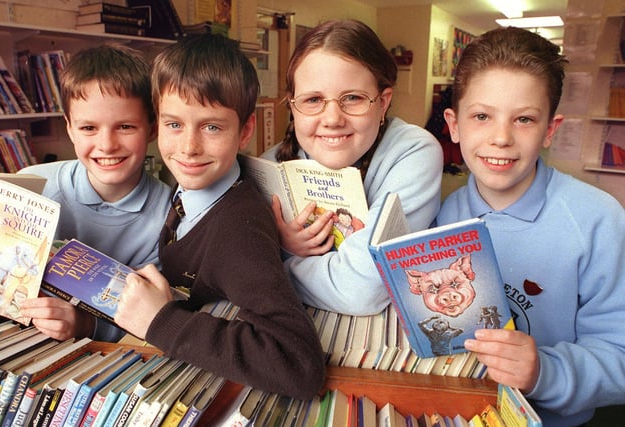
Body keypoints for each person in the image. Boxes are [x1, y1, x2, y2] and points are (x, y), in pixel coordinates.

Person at [113, 34, 325, 400]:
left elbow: (299, 365)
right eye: (174, 124)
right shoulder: (189, 184)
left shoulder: (237, 232)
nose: (189, 147)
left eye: (211, 127)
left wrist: (162, 321)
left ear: (244, 132)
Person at [437, 26, 625, 426]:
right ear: (454, 125)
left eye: (523, 119)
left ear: (549, 130)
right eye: (482, 116)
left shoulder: (598, 219)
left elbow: (620, 356)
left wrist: (544, 371)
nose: (501, 138)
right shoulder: (441, 215)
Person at [261, 19, 443, 315]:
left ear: (383, 103)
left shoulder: (415, 152)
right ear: (293, 106)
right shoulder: (271, 166)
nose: (332, 119)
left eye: (353, 98)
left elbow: (360, 290)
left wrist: (275, 261)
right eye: (313, 99)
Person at [18, 44, 171, 342]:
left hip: (99, 356)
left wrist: (85, 325)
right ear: (70, 130)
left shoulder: (168, 215)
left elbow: (150, 317)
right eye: (88, 127)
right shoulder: (32, 186)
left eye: (125, 126)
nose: (107, 144)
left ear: (152, 128)